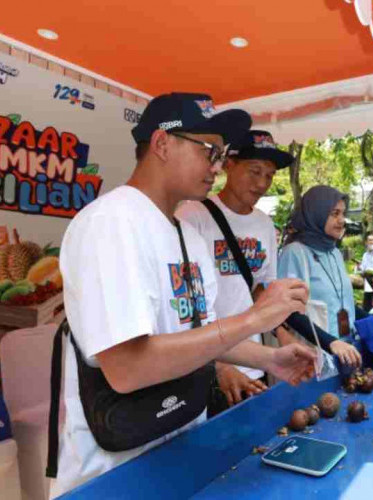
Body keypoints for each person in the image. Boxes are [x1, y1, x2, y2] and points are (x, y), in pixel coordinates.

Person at [51, 94, 316, 496]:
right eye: (209, 150)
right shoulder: (111, 223)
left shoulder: (186, 234)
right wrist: (254, 318)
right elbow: (127, 368)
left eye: (221, 153)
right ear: (162, 144)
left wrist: (269, 358)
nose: (216, 166)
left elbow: (202, 333)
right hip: (117, 470)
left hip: (181, 444)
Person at [176, 129, 299, 409]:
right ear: (228, 164)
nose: (262, 183)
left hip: (253, 365)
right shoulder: (192, 216)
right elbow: (182, 308)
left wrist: (282, 333)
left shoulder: (264, 224)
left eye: (269, 175)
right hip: (205, 370)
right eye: (254, 171)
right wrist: (217, 364)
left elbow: (259, 291)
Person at [278, 185, 363, 367]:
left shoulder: (334, 252)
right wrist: (330, 342)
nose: (342, 220)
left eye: (343, 213)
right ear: (316, 213)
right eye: (334, 213)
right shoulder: (295, 253)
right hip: (311, 358)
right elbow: (288, 312)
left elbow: (343, 301)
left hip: (345, 354)